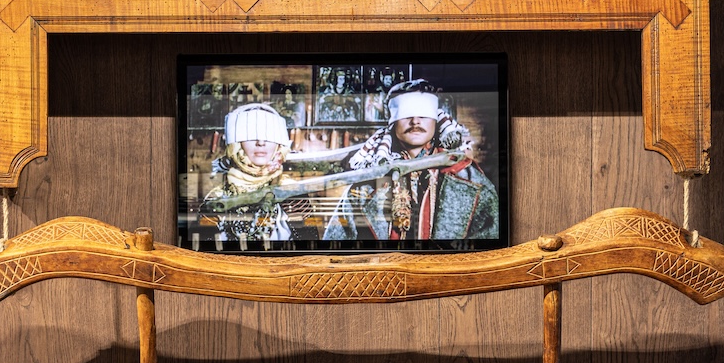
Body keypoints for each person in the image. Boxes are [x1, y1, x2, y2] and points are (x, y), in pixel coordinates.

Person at [323, 79, 499, 248]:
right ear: (392, 121)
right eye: (406, 114)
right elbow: (336, 249)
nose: (415, 121)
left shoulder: (471, 183)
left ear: (436, 118)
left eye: (423, 113)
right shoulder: (365, 186)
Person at [200, 103, 309, 250]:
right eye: (251, 135)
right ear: (237, 144)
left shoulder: (291, 192)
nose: (261, 143)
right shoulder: (216, 197)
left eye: (268, 136)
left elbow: (308, 246)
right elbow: (204, 251)